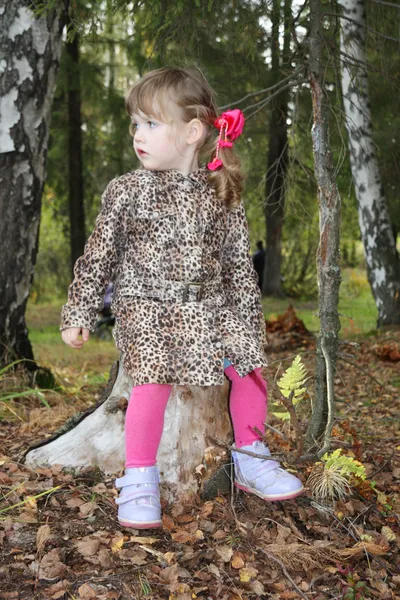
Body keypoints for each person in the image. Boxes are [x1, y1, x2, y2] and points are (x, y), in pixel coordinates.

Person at [60, 67, 303, 530]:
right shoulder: (127, 191)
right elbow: (98, 257)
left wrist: (247, 323)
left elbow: (237, 267)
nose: (138, 134)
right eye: (136, 123)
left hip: (208, 307)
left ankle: (251, 456)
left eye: (152, 124)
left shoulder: (221, 193)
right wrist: (80, 311)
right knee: (152, 378)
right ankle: (139, 478)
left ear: (193, 133)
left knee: (248, 368)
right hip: (147, 307)